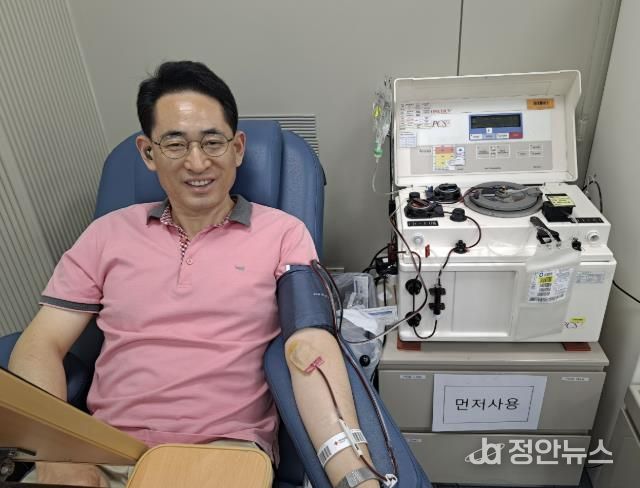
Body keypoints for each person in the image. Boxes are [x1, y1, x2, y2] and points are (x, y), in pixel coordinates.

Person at [10, 61, 378, 487]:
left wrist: (354, 475)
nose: (197, 162)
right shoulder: (106, 234)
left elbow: (310, 345)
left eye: (213, 142)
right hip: (102, 449)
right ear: (148, 153)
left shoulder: (283, 233)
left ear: (237, 148)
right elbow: (40, 342)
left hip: (221, 453)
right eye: (175, 144)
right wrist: (57, 453)